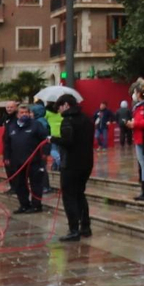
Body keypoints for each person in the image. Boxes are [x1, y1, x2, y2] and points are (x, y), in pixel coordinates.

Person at [56, 96, 95, 242]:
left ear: (66, 105)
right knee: (80, 194)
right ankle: (85, 227)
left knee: (69, 196)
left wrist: (53, 139)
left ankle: (73, 229)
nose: (59, 110)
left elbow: (67, 141)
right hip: (86, 163)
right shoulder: (87, 118)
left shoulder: (68, 120)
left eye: (59, 107)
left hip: (71, 164)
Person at [2, 104, 49, 214]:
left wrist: (45, 153)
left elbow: (45, 139)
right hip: (17, 161)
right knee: (19, 184)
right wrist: (6, 156)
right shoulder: (11, 126)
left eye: (26, 113)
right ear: (17, 115)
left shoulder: (36, 125)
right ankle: (24, 205)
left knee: (36, 184)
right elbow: (7, 143)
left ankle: (36, 205)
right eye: (21, 113)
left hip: (34, 161)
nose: (24, 115)